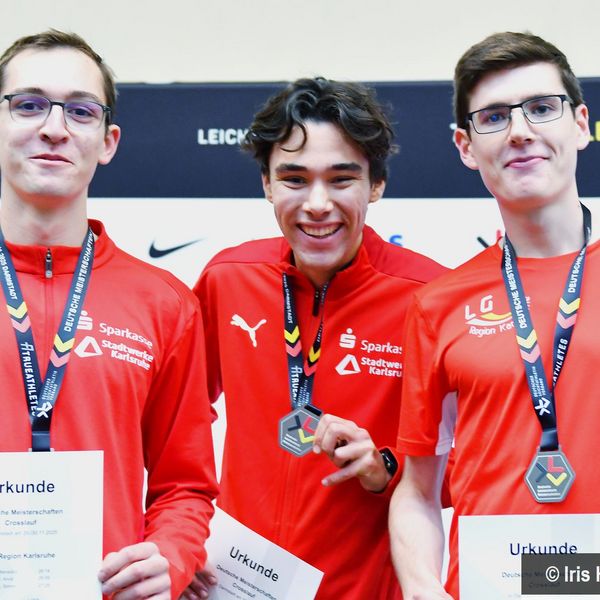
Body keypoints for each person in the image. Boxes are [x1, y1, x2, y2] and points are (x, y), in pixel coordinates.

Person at [185, 77, 447, 599]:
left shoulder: (430, 298)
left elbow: (477, 465)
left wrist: (385, 467)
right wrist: (182, 534)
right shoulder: (228, 277)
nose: (318, 203)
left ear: (376, 184)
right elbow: (177, 422)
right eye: (295, 179)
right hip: (236, 586)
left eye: (342, 179)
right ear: (267, 184)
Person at [0, 30, 218, 599]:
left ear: (107, 141)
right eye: (29, 104)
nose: (54, 128)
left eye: (80, 111)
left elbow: (185, 486)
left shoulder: (164, 302)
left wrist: (171, 555)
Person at [389, 31, 594, 599]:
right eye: (495, 117)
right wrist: (421, 587)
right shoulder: (438, 304)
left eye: (541, 108)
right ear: (465, 145)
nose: (520, 131)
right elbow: (417, 490)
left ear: (580, 124)